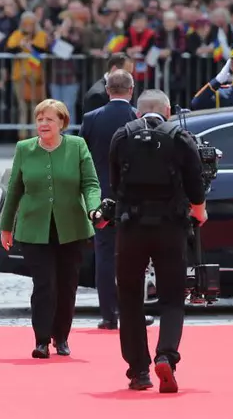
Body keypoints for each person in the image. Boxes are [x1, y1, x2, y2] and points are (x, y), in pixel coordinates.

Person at [109, 89, 207, 393]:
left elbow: (114, 182)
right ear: (167, 111)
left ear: (138, 113)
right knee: (172, 297)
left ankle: (138, 370)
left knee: (129, 298)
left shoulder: (122, 137)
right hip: (171, 227)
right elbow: (196, 184)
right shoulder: (179, 138)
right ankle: (166, 355)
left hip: (131, 228)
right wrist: (199, 213)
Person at [0, 99, 101, 359]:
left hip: (72, 227)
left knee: (67, 285)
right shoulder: (24, 148)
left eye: (49, 119)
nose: (43, 124)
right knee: (44, 285)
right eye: (40, 119)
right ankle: (42, 340)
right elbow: (14, 190)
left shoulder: (77, 146)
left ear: (62, 123)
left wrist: (94, 209)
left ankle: (62, 337)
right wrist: (6, 226)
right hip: (34, 228)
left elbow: (90, 184)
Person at [79, 70, 154, 330]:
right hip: (135, 196)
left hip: (101, 196)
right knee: (135, 256)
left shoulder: (91, 119)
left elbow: (83, 158)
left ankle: (108, 314)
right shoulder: (138, 118)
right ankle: (132, 313)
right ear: (131, 90)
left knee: (105, 255)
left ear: (107, 90)